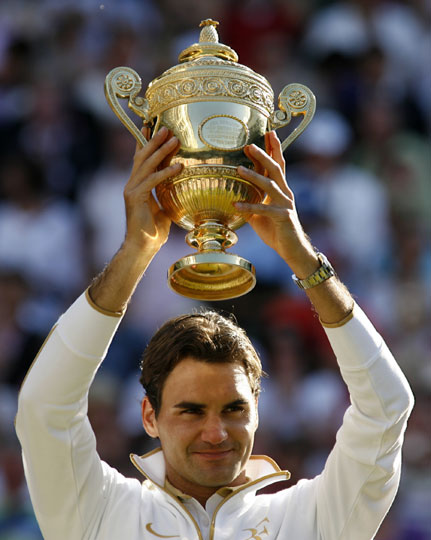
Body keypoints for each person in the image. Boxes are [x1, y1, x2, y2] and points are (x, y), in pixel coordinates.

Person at [15, 126, 414, 540]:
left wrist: (304, 260)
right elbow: (44, 407)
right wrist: (134, 252)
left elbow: (386, 408)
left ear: (257, 411)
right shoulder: (100, 512)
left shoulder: (310, 519)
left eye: (234, 409)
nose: (215, 434)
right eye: (191, 410)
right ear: (149, 416)